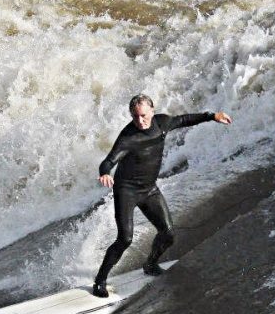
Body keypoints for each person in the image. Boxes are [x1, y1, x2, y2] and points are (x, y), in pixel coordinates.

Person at [92, 94, 232, 298]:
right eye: (135, 117)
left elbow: (184, 119)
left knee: (168, 233)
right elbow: (110, 159)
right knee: (125, 238)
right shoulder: (128, 138)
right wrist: (104, 172)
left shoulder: (162, 123)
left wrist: (212, 116)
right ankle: (100, 281)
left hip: (149, 190)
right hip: (127, 190)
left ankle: (150, 264)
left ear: (152, 110)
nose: (140, 121)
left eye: (143, 115)